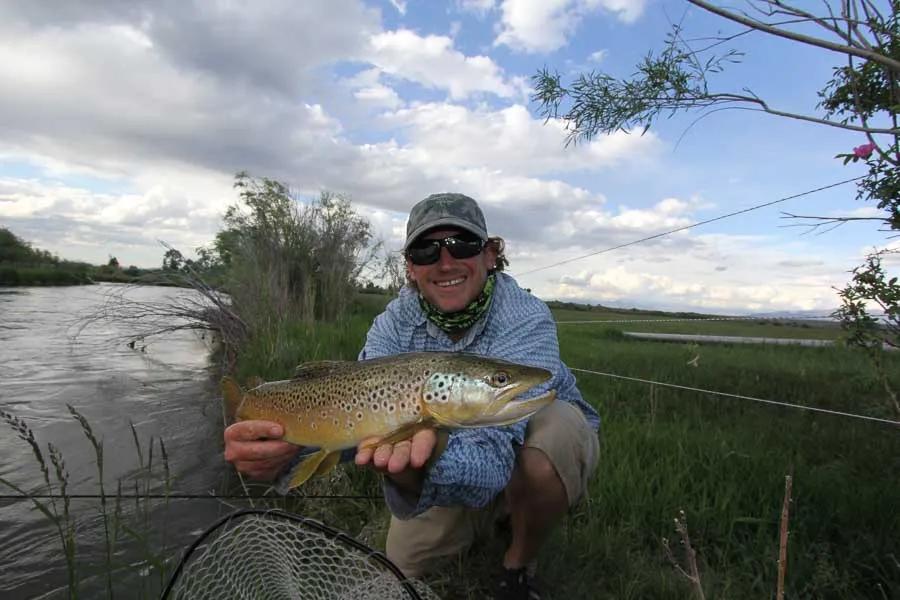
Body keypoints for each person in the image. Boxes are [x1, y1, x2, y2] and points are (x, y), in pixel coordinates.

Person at [223, 193, 600, 600]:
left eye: (463, 244)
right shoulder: (392, 324)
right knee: (404, 565)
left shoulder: (525, 317)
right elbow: (349, 424)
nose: (446, 261)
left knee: (556, 427)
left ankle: (518, 562)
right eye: (426, 249)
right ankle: (494, 516)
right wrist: (279, 454)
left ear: (491, 254)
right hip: (448, 453)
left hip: (522, 448)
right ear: (410, 267)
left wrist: (430, 452)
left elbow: (489, 464)